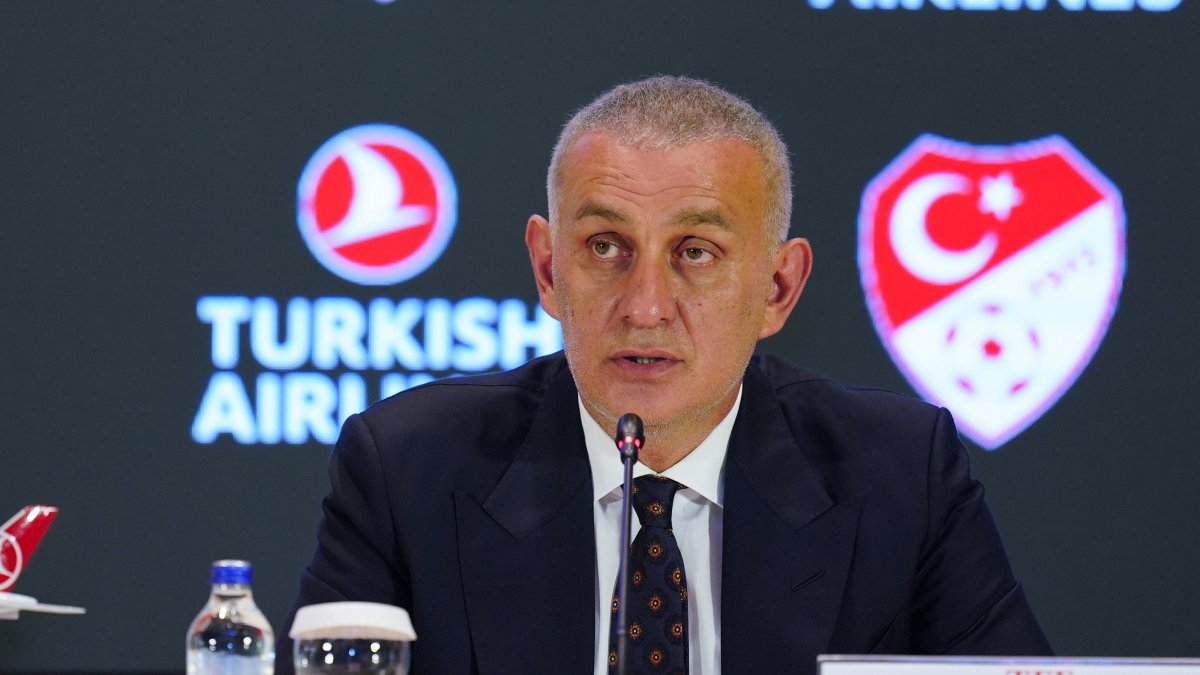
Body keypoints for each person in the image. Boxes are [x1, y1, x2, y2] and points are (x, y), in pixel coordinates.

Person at [280, 75, 1052, 674]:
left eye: (696, 253)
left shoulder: (899, 472)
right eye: (606, 248)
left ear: (778, 289)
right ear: (548, 271)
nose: (645, 306)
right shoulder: (406, 467)